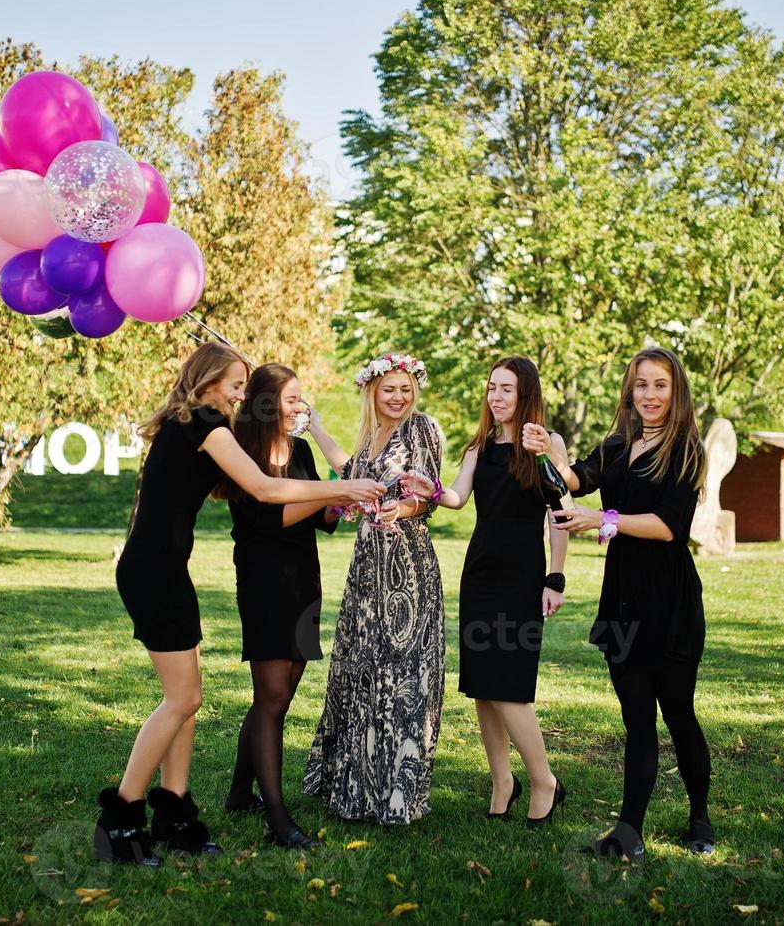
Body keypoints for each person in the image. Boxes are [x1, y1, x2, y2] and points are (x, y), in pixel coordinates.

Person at [97, 343, 384, 867]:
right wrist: (347, 486)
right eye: (234, 384)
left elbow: (269, 480)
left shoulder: (196, 423)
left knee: (188, 701)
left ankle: (176, 816)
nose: (239, 394)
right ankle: (119, 822)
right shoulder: (206, 423)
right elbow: (262, 489)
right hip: (151, 574)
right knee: (180, 702)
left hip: (164, 571)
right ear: (208, 385)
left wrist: (313, 449)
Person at [523, 346, 713, 860]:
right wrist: (546, 451)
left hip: (669, 599)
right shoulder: (616, 444)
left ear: (677, 393)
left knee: (677, 712)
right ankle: (629, 832)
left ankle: (699, 815)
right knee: (636, 720)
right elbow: (571, 480)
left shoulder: (686, 450)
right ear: (630, 390)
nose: (649, 395)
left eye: (660, 385)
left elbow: (670, 528)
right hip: (624, 598)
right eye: (641, 385)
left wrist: (601, 520)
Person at [402, 356, 568, 825]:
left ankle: (544, 782)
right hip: (479, 576)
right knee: (481, 686)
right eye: (492, 388)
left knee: (510, 686)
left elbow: (560, 514)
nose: (496, 397)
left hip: (522, 577)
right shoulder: (481, 445)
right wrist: (431, 489)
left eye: (507, 389)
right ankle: (502, 782)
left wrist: (555, 578)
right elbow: (457, 497)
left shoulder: (545, 442)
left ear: (526, 394)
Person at [301, 353, 446, 824]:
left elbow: (425, 494)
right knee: (362, 668)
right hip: (368, 566)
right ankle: (356, 785)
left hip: (406, 564)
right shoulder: (372, 434)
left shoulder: (420, 428)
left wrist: (400, 511)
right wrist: (316, 428)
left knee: (402, 677)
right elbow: (351, 473)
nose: (399, 397)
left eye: (405, 389)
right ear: (372, 392)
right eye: (390, 389)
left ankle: (397, 793)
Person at [221, 364, 337, 849]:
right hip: (264, 582)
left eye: (300, 398)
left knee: (281, 693)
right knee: (271, 697)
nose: (299, 407)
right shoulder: (242, 453)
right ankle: (278, 819)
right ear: (266, 403)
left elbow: (323, 519)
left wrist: (344, 495)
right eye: (291, 399)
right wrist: (329, 492)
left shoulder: (302, 450)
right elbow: (270, 519)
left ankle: (238, 792)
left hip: (302, 582)